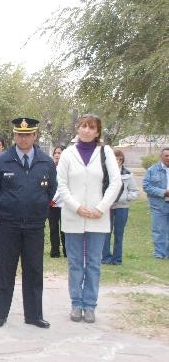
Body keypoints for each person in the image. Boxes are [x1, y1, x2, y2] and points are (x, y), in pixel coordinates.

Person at [0, 117, 57, 329]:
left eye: (28, 134)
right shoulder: (1, 161)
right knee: (4, 270)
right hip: (9, 224)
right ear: (14, 136)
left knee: (34, 270)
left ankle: (34, 315)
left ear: (35, 136)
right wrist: (3, 207)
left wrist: (39, 206)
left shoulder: (46, 162)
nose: (23, 138)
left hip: (35, 225)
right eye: (19, 134)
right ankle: (0, 314)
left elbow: (51, 190)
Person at [57, 114, 121, 324]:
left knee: (94, 263)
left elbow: (115, 183)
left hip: (97, 217)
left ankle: (90, 305)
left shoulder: (106, 152)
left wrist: (101, 207)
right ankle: (76, 303)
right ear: (78, 128)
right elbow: (62, 184)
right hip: (74, 216)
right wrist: (76, 207)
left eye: (91, 127)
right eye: (83, 126)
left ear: (97, 131)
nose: (86, 130)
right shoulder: (67, 154)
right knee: (75, 263)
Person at [102, 150, 139, 265]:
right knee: (106, 233)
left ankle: (117, 259)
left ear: (122, 160)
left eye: (119, 159)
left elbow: (134, 192)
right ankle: (106, 257)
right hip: (107, 207)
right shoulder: (105, 173)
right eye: (115, 158)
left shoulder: (128, 174)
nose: (117, 161)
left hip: (122, 207)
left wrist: (125, 197)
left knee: (119, 233)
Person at [142, 147, 169, 259]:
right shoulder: (152, 170)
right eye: (166, 155)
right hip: (159, 206)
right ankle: (160, 254)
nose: (168, 158)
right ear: (160, 157)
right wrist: (163, 192)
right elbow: (146, 186)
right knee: (159, 230)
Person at [48, 146, 66, 258]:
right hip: (51, 204)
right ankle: (55, 251)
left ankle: (66, 251)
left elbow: (62, 186)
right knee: (53, 228)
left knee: (64, 229)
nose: (57, 155)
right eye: (55, 152)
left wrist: (54, 200)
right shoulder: (50, 167)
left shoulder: (66, 167)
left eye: (59, 153)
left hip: (63, 203)